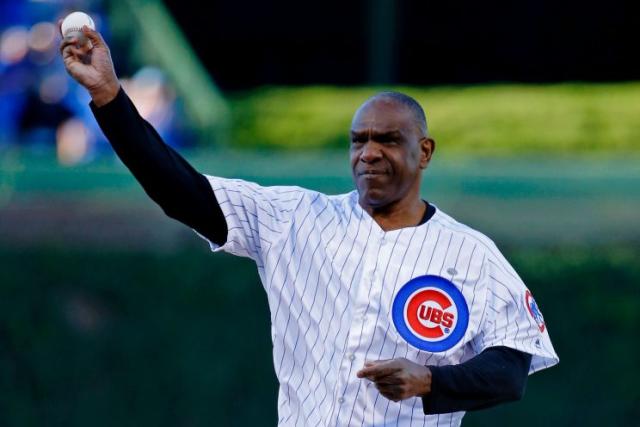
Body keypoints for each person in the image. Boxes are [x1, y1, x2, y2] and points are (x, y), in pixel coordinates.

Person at [60, 25, 559, 427]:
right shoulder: (295, 218)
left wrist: (431, 379)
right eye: (358, 140)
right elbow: (178, 189)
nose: (368, 153)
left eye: (387, 139)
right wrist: (108, 95)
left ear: (423, 150)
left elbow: (511, 368)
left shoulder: (469, 253)